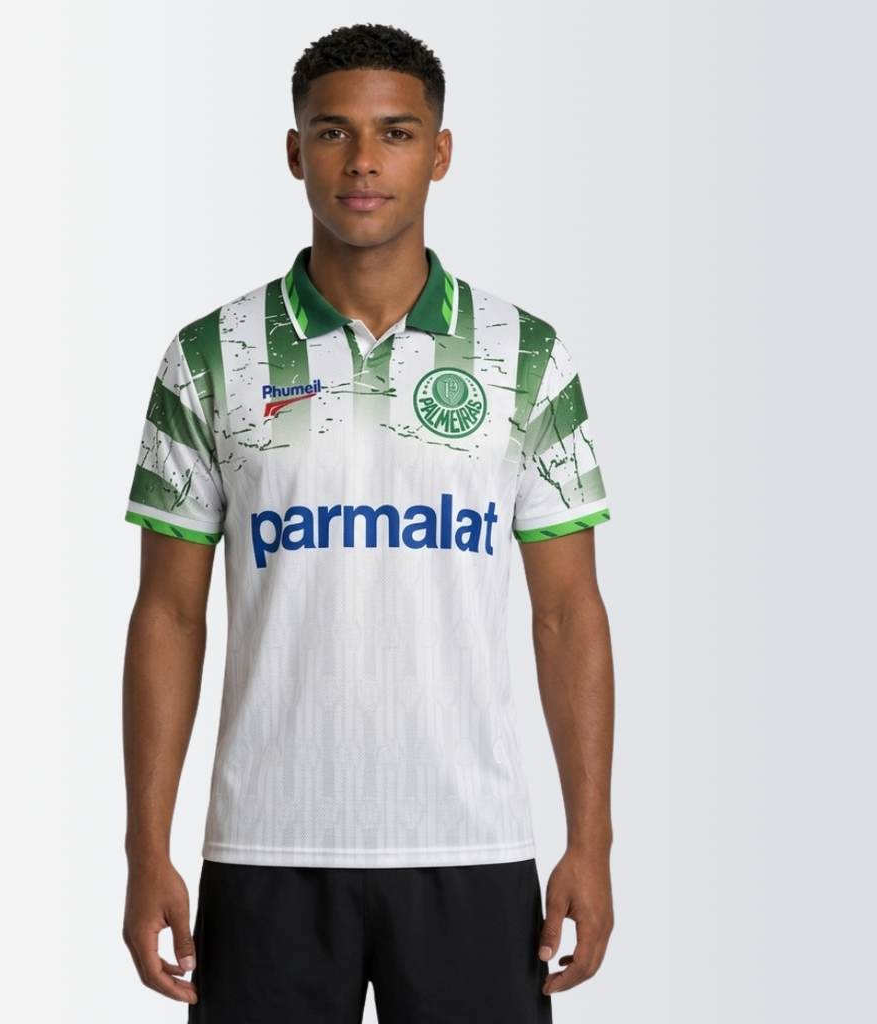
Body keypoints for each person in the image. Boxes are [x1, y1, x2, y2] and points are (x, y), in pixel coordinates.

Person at [121, 23, 614, 1023]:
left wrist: (591, 842)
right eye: (332, 131)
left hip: (473, 845)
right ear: (294, 151)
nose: (362, 161)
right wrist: (145, 849)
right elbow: (167, 615)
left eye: (395, 132)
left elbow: (568, 613)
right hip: (265, 848)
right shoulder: (209, 356)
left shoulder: (526, 356)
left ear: (439, 152)